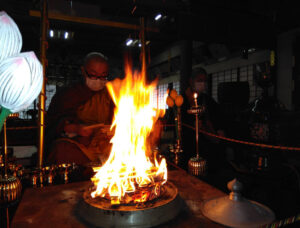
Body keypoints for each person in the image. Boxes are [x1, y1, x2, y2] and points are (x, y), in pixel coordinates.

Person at [45, 52, 115, 166]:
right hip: (79, 144)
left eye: (103, 75)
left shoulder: (111, 94)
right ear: (83, 71)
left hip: (105, 144)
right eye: (93, 74)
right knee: (62, 151)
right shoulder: (69, 93)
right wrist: (75, 128)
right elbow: (53, 124)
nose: (98, 79)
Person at [182, 67, 226, 172]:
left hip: (208, 144)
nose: (203, 83)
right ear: (191, 81)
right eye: (199, 80)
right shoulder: (182, 100)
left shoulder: (208, 99)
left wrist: (220, 129)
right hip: (190, 144)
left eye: (205, 81)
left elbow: (218, 115)